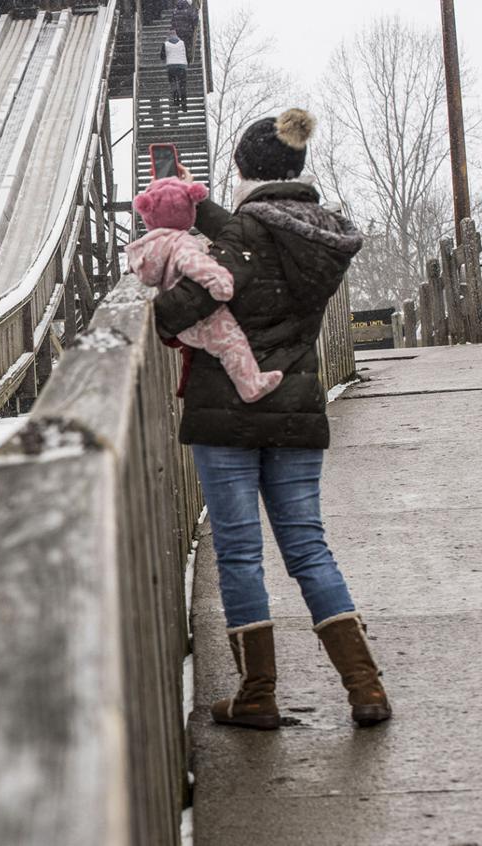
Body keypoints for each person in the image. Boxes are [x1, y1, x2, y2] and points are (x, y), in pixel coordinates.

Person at [154, 109, 391, 730]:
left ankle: (257, 693)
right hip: (295, 410)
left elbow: (182, 309)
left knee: (239, 553)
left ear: (242, 170)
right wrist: (201, 208)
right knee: (308, 547)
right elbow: (254, 250)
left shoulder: (244, 240)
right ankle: (365, 687)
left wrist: (159, 289)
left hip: (228, 418)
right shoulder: (315, 237)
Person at [128, 176, 283, 403]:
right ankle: (250, 385)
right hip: (206, 320)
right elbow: (197, 264)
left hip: (183, 329)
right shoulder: (181, 242)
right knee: (232, 342)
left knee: (221, 350)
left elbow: (147, 275)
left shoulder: (148, 247)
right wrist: (219, 282)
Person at [160, 29, 189, 111]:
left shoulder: (165, 44)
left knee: (173, 85)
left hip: (171, 67)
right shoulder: (182, 43)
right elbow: (187, 53)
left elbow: (162, 56)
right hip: (182, 66)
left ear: (168, 36)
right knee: (182, 85)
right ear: (177, 35)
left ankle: (176, 101)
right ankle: (184, 103)